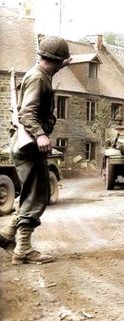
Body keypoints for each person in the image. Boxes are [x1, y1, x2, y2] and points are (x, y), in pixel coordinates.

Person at [0, 36, 72, 264]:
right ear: (57, 61)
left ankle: (6, 235)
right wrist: (41, 134)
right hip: (29, 143)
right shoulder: (39, 79)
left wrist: (63, 63)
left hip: (24, 142)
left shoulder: (40, 73)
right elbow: (27, 113)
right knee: (39, 195)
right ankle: (23, 249)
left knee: (31, 193)